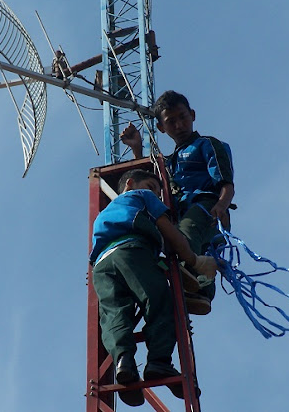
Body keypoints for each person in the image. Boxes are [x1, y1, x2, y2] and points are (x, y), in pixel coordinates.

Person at [89, 169, 216, 406]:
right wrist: (194, 260)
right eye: (152, 187)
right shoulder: (141, 196)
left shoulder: (105, 213)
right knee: (160, 301)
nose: (157, 195)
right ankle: (159, 361)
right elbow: (170, 232)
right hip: (132, 251)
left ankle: (123, 361)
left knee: (115, 313)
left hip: (102, 264)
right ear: (130, 184)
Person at [121, 90, 235, 314]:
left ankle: (187, 277)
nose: (179, 124)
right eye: (171, 121)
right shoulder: (168, 163)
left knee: (183, 238)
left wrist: (221, 205)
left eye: (182, 117)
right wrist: (136, 148)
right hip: (181, 214)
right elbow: (151, 183)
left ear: (192, 115)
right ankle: (199, 293)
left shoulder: (206, 145)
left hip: (206, 206)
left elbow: (226, 182)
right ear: (162, 128)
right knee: (196, 250)